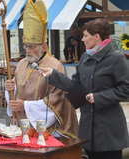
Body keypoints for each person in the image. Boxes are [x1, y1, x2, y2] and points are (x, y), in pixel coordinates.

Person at [39, 18, 129, 159]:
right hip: (88, 128)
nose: (82, 39)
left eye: (86, 35)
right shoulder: (85, 58)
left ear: (97, 37)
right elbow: (75, 86)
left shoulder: (116, 59)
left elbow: (126, 89)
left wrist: (99, 97)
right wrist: (54, 75)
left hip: (109, 130)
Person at [4, 0, 78, 138]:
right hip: (23, 123)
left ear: (44, 47)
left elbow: (58, 98)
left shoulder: (55, 65)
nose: (27, 50)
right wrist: (10, 88)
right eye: (26, 46)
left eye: (32, 46)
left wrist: (25, 106)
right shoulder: (21, 64)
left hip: (45, 128)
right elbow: (18, 89)